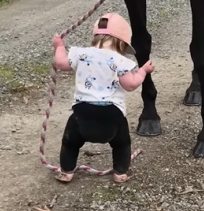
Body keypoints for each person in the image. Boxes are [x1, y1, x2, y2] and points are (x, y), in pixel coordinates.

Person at [51, 13, 154, 183]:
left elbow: (61, 64)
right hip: (111, 113)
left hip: (82, 111)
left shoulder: (81, 54)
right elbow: (130, 85)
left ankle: (66, 171)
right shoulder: (121, 61)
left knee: (70, 141)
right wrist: (143, 70)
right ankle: (120, 172)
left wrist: (59, 46)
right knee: (122, 142)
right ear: (122, 43)